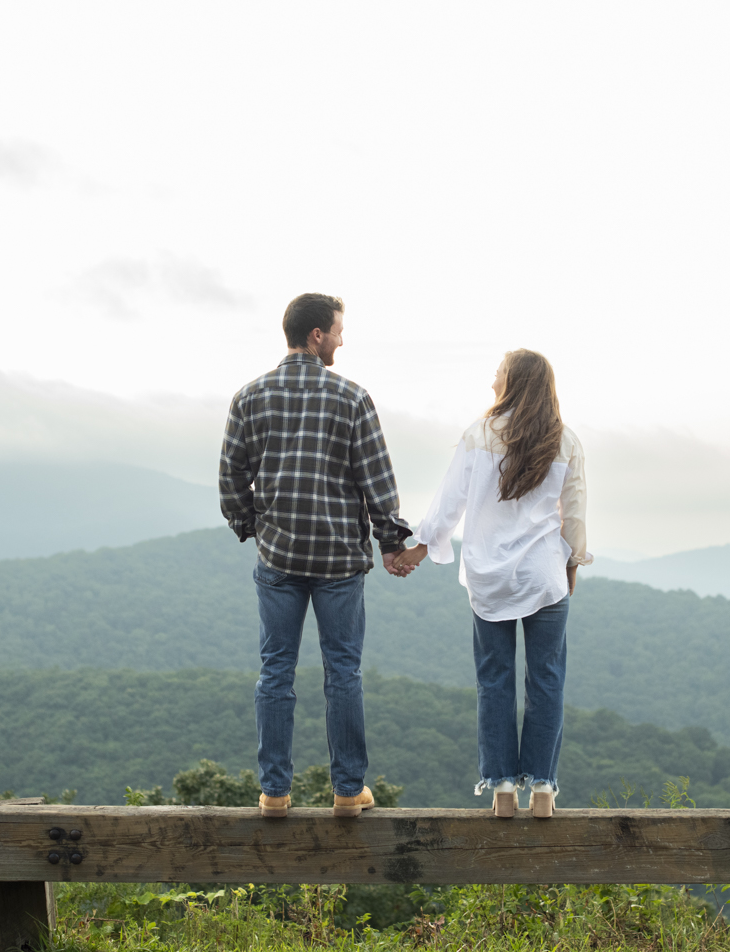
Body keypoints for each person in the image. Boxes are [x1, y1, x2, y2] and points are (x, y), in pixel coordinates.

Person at [220, 293, 415, 820]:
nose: (342, 339)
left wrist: (253, 527)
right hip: (338, 563)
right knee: (343, 672)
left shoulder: (249, 396)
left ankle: (274, 793)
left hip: (278, 558)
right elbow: (376, 480)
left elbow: (231, 479)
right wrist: (391, 541)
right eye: (338, 330)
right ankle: (348, 792)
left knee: (275, 670)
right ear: (316, 336)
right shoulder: (351, 398)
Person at [395, 349, 590, 818]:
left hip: (489, 577)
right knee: (546, 680)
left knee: (495, 680)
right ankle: (542, 788)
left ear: (514, 382)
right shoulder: (565, 441)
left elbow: (450, 500)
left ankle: (502, 785)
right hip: (544, 574)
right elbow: (575, 513)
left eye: (498, 374)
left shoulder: (479, 434)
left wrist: (421, 546)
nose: (492, 382)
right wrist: (573, 564)